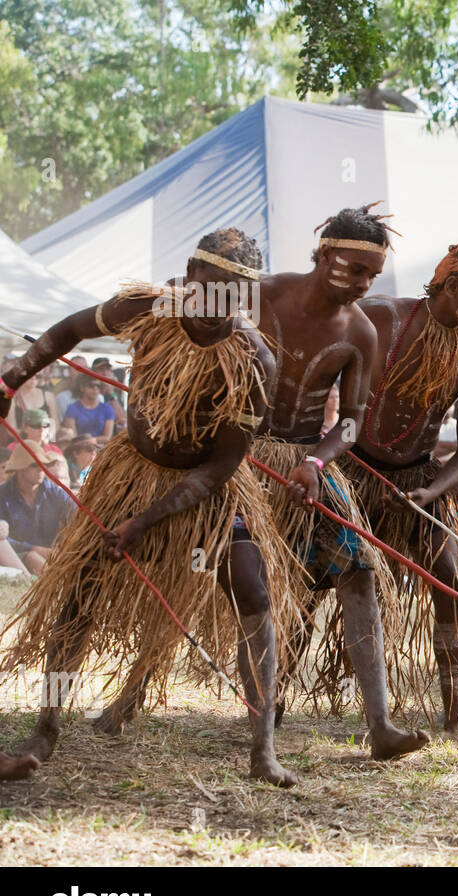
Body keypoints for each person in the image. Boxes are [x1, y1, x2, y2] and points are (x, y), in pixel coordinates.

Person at [0, 228, 302, 785]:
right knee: (79, 597)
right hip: (129, 474)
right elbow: (70, 328)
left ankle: (263, 748)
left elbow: (221, 466)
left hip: (204, 490)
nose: (221, 308)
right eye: (213, 289)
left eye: (237, 296)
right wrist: (13, 377)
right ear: (190, 276)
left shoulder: (254, 359)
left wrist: (145, 522)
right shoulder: (144, 307)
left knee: (253, 588)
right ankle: (48, 722)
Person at [252, 204, 430, 759]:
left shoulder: (360, 331)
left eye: (371, 276)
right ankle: (130, 696)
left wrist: (319, 461)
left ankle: (380, 727)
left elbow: (351, 421)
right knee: (193, 567)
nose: (363, 284)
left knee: (357, 572)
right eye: (354, 269)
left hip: (305, 461)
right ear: (325, 254)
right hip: (235, 458)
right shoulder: (261, 295)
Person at [343, 238, 458, 749]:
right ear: (453, 285)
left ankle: (455, 722)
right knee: (311, 576)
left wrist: (432, 492)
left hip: (419, 484)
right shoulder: (378, 317)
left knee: (450, 584)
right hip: (349, 474)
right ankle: (275, 697)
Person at [0, 444, 75, 574]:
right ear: (20, 469)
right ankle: (53, 583)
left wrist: (64, 541)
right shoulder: (3, 494)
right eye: (34, 465)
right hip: (15, 559)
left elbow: (77, 515)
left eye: (44, 464)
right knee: (31, 557)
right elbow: (3, 539)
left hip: (53, 556)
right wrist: (35, 549)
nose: (41, 469)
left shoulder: (54, 492)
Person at [7, 408, 70, 486]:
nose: (41, 429)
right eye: (36, 426)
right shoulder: (13, 448)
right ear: (25, 428)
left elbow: (63, 476)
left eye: (45, 425)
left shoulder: (54, 450)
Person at [58, 375, 115, 445]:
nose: (95, 389)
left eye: (98, 386)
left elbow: (107, 437)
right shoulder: (72, 408)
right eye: (91, 385)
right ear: (82, 388)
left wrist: (93, 440)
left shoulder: (107, 409)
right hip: (79, 448)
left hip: (100, 449)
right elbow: (73, 435)